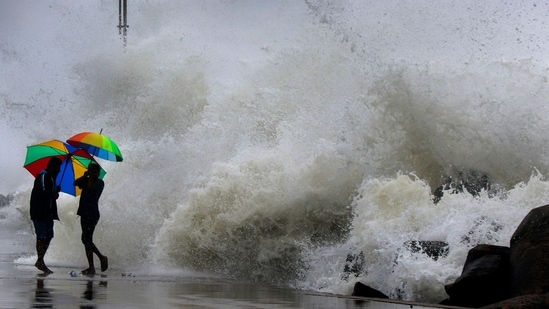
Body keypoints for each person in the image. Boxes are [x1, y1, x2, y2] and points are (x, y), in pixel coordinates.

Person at [74, 163, 108, 275]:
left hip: (92, 214)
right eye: (91, 170)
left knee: (86, 239)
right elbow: (76, 183)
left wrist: (91, 178)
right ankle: (91, 267)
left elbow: (91, 187)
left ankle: (101, 258)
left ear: (98, 173)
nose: (92, 173)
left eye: (94, 171)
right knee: (86, 239)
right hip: (84, 212)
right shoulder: (86, 179)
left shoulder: (100, 183)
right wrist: (85, 176)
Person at [30, 157, 62, 274]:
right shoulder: (43, 176)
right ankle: (40, 261)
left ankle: (40, 260)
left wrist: (56, 191)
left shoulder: (51, 178)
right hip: (40, 212)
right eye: (58, 168)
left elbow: (49, 194)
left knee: (48, 236)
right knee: (42, 236)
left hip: (48, 212)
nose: (59, 171)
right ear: (52, 167)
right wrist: (53, 194)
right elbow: (43, 192)